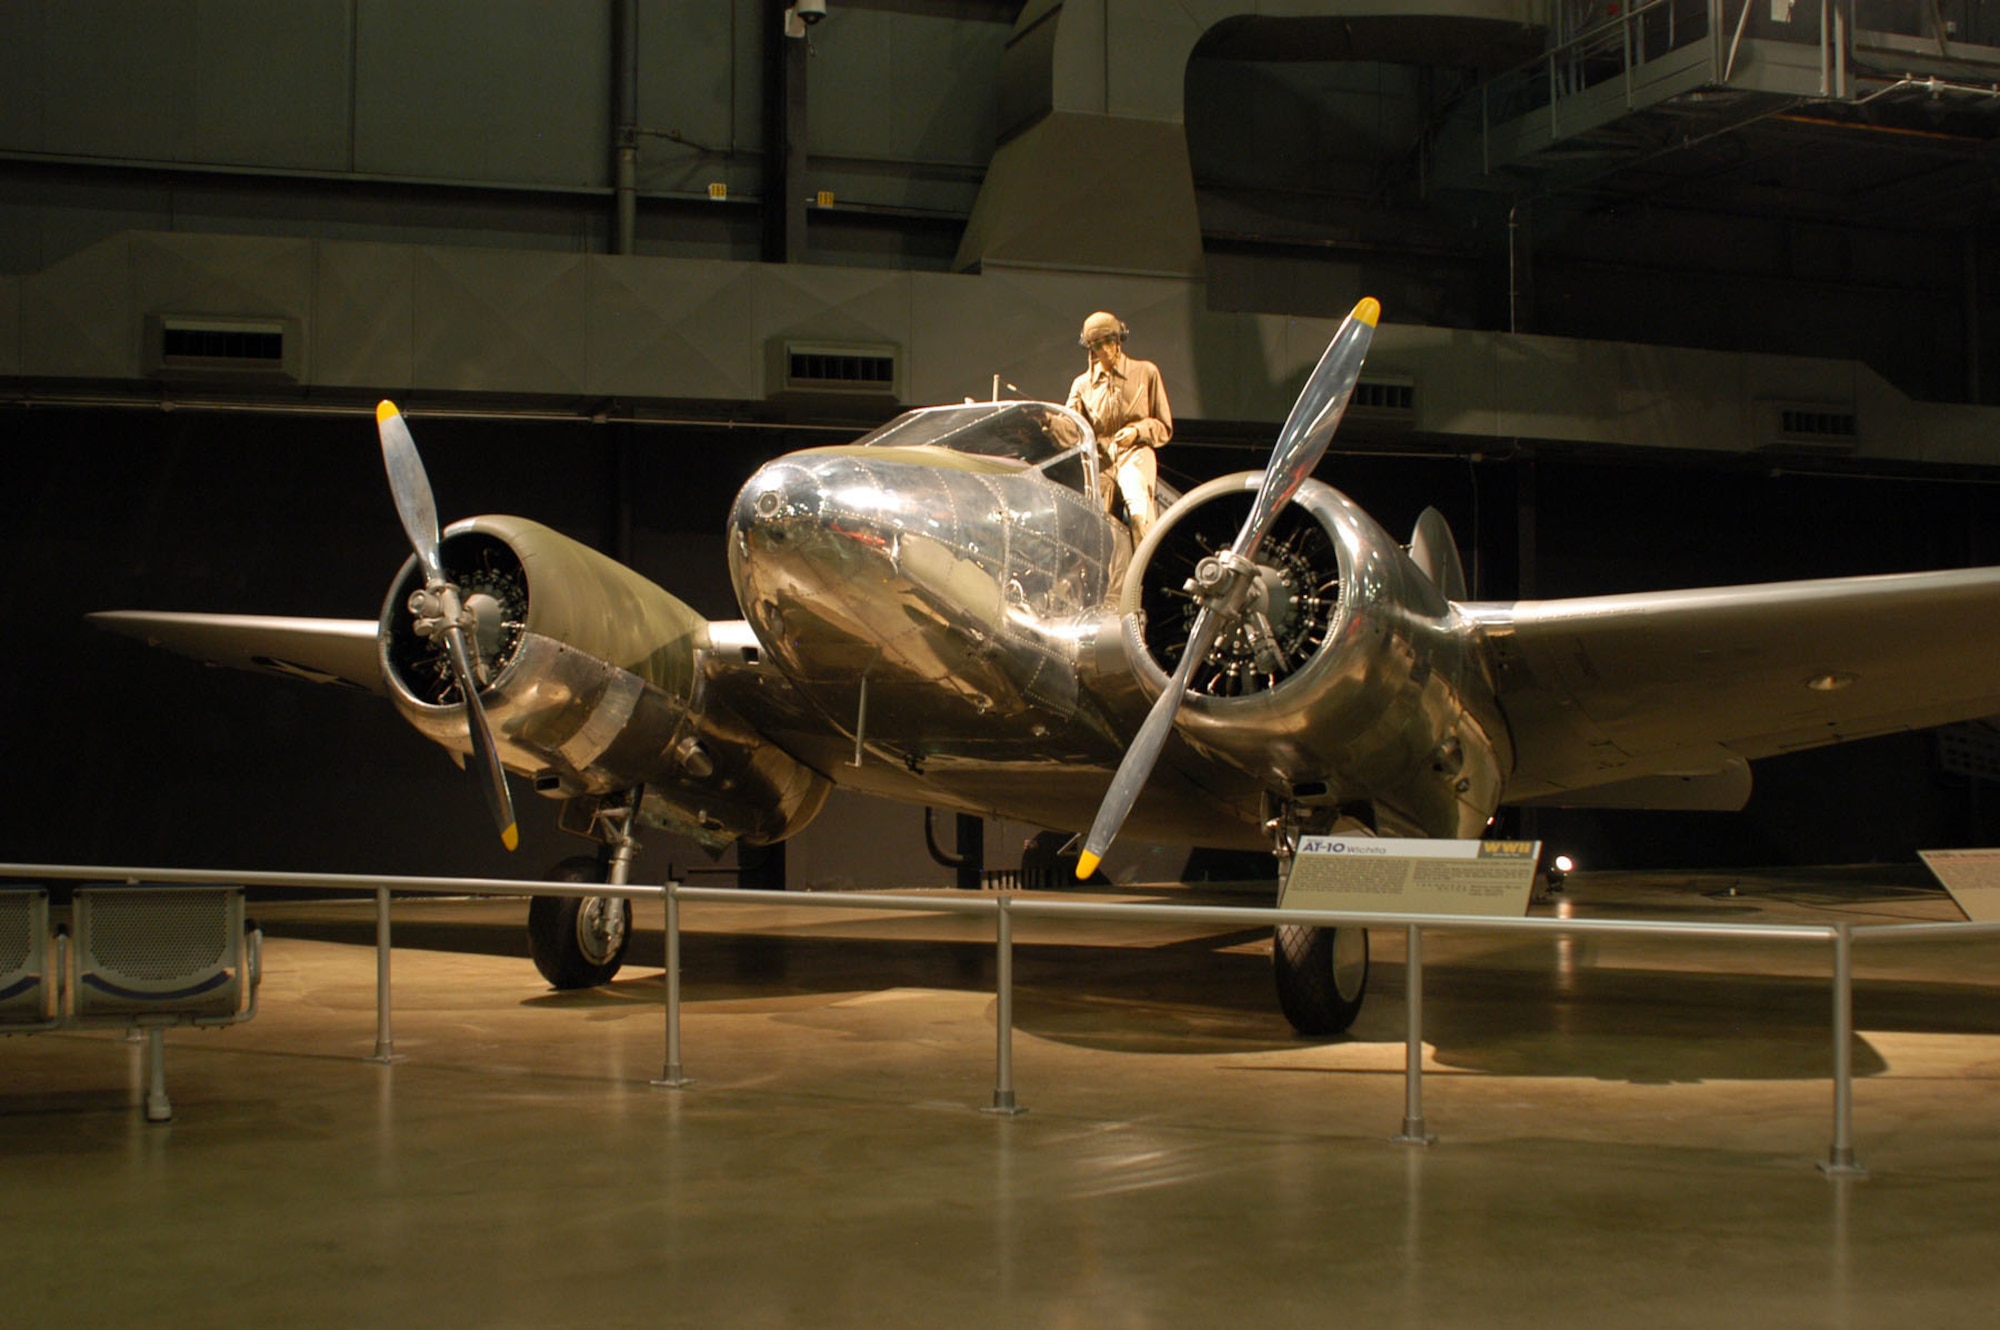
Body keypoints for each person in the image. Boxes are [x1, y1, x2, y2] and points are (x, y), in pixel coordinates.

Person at [1064, 311, 1172, 539]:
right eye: (1096, 345)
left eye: (1108, 342)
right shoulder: (1082, 385)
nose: (1103, 350)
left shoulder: (1145, 372)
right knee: (1095, 529)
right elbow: (1071, 428)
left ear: (1118, 340)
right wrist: (1047, 422)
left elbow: (1164, 427)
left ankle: (1144, 570)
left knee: (1139, 514)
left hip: (1135, 452)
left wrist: (1137, 431)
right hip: (1101, 460)